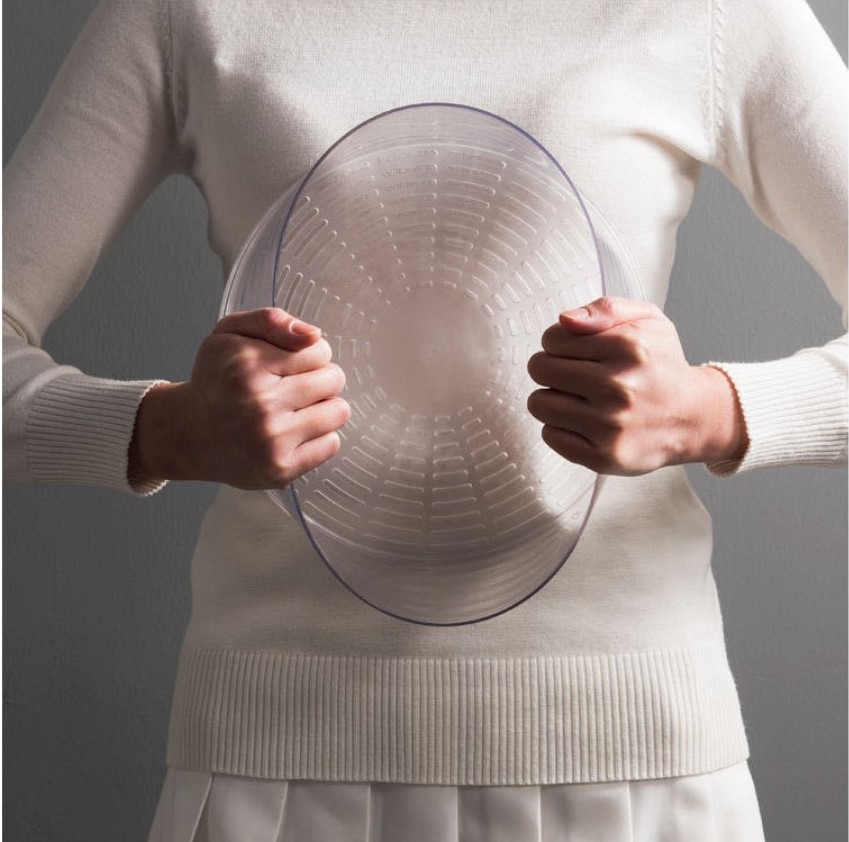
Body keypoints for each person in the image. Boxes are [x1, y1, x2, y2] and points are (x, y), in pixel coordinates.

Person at [3, 0, 846, 839]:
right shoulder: (178, 12)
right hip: (280, 755)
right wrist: (167, 430)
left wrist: (707, 411)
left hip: (632, 747)